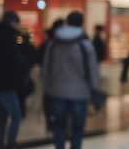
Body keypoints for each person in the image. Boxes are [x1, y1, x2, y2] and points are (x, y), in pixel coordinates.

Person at [42, 11, 99, 149]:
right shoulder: (85, 44)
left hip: (57, 91)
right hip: (80, 92)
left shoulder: (53, 43)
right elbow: (92, 69)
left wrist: (48, 87)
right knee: (78, 128)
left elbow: (46, 67)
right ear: (82, 23)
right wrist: (93, 87)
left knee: (58, 126)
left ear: (67, 22)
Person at [0, 11, 27, 149]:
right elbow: (15, 61)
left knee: (3, 116)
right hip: (6, 84)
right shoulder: (8, 37)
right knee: (16, 116)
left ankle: (1, 143)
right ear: (12, 22)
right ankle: (10, 143)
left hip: (0, 83)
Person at [36, 18, 64, 131]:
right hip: (56, 75)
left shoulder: (48, 43)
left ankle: (51, 122)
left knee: (49, 98)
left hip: (49, 75)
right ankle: (56, 122)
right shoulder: (55, 43)